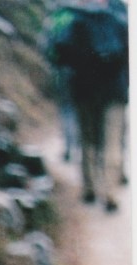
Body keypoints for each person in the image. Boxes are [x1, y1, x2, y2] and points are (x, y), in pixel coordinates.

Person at [46, 0, 129, 210]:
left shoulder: (73, 21)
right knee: (112, 142)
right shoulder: (118, 20)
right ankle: (110, 194)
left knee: (88, 139)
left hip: (84, 90)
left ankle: (90, 188)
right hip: (114, 92)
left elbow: (59, 56)